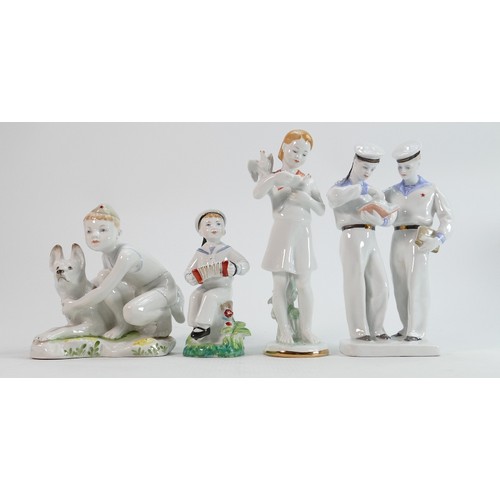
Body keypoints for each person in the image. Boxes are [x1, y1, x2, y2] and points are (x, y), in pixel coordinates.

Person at [63, 204, 185, 339]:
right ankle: (122, 323)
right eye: (89, 231)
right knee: (103, 276)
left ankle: (163, 315)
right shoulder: (107, 256)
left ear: (118, 233)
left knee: (132, 313)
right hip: (139, 290)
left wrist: (75, 305)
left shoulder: (126, 255)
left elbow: (103, 290)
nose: (95, 235)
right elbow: (103, 285)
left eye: (103, 230)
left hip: (162, 288)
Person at [252, 129, 325, 345]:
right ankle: (284, 330)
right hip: (282, 232)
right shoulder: (275, 177)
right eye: (295, 150)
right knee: (280, 283)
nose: (298, 157)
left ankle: (306, 329)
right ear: (284, 147)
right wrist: (273, 176)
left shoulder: (308, 180)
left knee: (304, 283)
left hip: (303, 233)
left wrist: (306, 200)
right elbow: (257, 193)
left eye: (304, 154)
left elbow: (321, 209)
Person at [384, 141, 453, 341]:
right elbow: (382, 213)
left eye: (407, 166)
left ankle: (417, 329)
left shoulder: (431, 189)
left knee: (417, 284)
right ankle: (406, 326)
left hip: (419, 239)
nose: (403, 171)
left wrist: (439, 238)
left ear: (418, 162)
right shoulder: (391, 192)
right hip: (397, 237)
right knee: (400, 284)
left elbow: (447, 218)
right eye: (400, 167)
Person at [327, 144, 395, 341]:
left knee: (380, 284)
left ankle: (377, 328)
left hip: (370, 236)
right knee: (355, 283)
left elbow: (388, 214)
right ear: (355, 162)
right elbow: (334, 198)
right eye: (365, 167)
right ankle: (359, 330)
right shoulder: (341, 187)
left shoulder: (372, 191)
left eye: (372, 169)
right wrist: (363, 188)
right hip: (352, 235)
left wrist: (381, 220)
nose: (368, 172)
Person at [184, 210, 249, 340]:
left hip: (223, 289)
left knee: (210, 296)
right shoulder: (200, 252)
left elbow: (245, 264)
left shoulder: (227, 250)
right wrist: (190, 277)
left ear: (224, 230)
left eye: (218, 224)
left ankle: (203, 326)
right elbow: (189, 271)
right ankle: (194, 324)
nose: (214, 227)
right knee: (195, 295)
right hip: (205, 286)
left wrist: (236, 268)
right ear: (200, 232)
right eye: (208, 224)